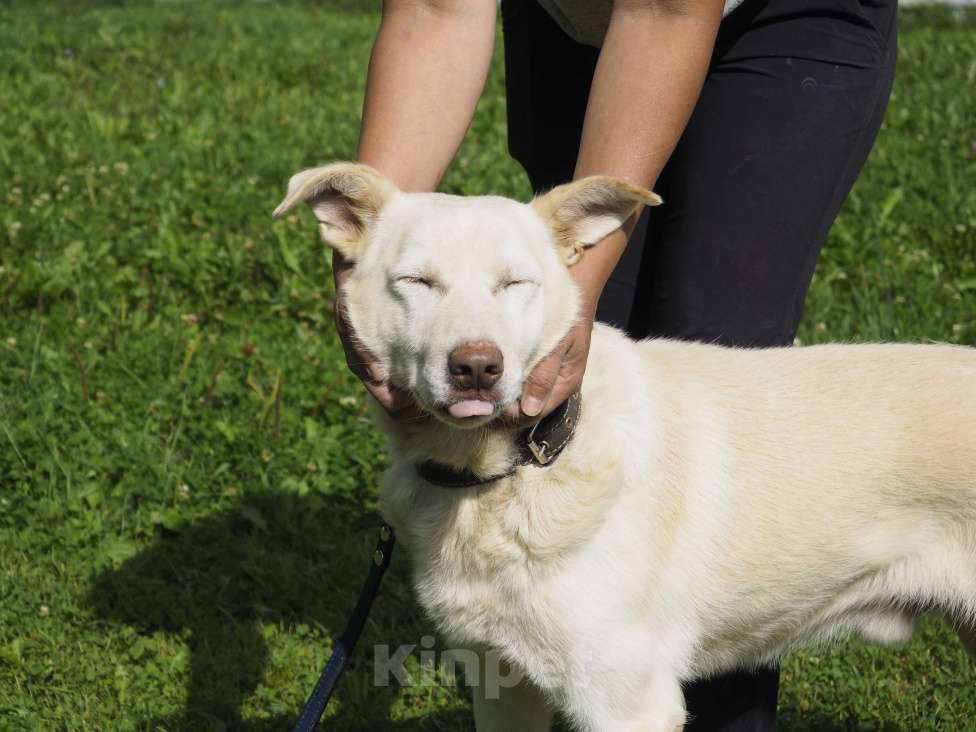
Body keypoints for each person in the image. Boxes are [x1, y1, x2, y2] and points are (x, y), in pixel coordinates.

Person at [332, 0, 898, 728]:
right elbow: (438, 10)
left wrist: (576, 291)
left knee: (710, 338)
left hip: (768, 27)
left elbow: (668, 8)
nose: (472, 349)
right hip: (576, 30)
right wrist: (370, 255)